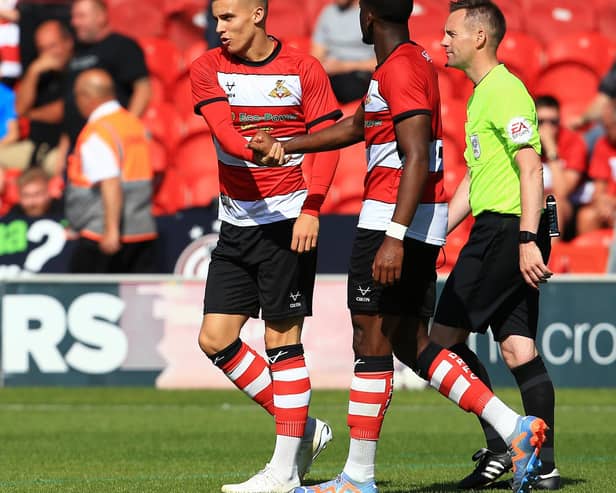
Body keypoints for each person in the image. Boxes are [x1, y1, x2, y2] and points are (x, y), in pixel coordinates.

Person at [249, 2, 547, 493]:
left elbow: (414, 153)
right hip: (407, 220)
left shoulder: (403, 67)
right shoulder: (401, 65)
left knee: (370, 339)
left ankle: (358, 477)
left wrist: (393, 235)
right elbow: (356, 127)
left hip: (391, 218)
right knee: (407, 340)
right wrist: (288, 144)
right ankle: (512, 427)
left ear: (367, 17)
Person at [190, 0, 343, 491]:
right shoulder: (207, 66)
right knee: (214, 337)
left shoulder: (304, 69)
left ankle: (282, 474)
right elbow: (226, 136)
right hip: (235, 223)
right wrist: (259, 145)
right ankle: (304, 428)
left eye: (228, 17)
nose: (220, 28)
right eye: (216, 19)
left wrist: (312, 208)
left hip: (286, 223)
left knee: (282, 341)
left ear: (257, 14)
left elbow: (328, 142)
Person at [425, 1, 559, 490]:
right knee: (518, 347)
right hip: (504, 226)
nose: (443, 40)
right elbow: (475, 180)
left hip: (507, 231)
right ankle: (544, 467)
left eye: (451, 32)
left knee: (440, 342)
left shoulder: (504, 91)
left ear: (479, 37)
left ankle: (504, 444)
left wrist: (527, 239)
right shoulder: (482, 95)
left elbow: (532, 168)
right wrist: (436, 229)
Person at [65, 68, 157, 274]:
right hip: (140, 228)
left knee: (85, 297)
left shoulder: (99, 132)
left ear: (86, 97)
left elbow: (110, 181)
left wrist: (111, 231)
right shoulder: (133, 124)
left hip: (101, 233)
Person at [56, 0, 151, 175]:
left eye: (81, 16)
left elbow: (143, 89)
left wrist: (125, 129)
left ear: (100, 17)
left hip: (108, 145)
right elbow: (69, 105)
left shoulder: (122, 46)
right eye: (74, 17)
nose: (74, 22)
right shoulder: (76, 52)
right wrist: (63, 150)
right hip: (77, 145)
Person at [0, 20, 73, 176]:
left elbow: (66, 111)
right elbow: (19, 108)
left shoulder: (79, 70)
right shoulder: (41, 73)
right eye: (42, 49)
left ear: (68, 43)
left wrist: (30, 114)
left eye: (53, 46)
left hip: (63, 150)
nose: (48, 54)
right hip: (34, 147)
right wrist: (33, 71)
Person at [535, 95, 589, 238]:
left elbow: (563, 191)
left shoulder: (573, 142)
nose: (547, 127)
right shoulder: (524, 143)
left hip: (566, 209)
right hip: (531, 203)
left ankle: (551, 255)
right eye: (540, 122)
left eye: (553, 122)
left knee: (552, 202)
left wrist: (551, 149)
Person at [311, 0, 375, 104]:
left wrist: (344, 66)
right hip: (331, 73)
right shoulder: (328, 13)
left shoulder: (371, 13)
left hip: (361, 73)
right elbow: (316, 55)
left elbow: (383, 61)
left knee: (349, 87)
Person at [576, 100, 616, 236]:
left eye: (611, 126)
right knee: (586, 216)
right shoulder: (603, 144)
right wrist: (602, 204)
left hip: (613, 203)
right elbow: (599, 188)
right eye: (606, 126)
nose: (608, 131)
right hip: (610, 205)